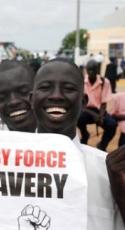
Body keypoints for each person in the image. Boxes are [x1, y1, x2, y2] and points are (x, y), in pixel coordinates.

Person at [32, 58, 124, 229]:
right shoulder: (1, 168)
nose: (56, 96)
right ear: (31, 99)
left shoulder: (107, 172)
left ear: (82, 101)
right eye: (45, 88)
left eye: (68, 89)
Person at [77, 60, 117, 151]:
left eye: (94, 70)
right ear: (86, 70)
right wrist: (93, 115)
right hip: (85, 110)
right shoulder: (81, 82)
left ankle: (102, 145)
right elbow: (81, 105)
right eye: (89, 70)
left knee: (112, 124)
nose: (91, 72)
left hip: (100, 111)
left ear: (97, 70)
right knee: (77, 118)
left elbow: (104, 102)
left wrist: (101, 116)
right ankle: (85, 134)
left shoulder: (104, 82)